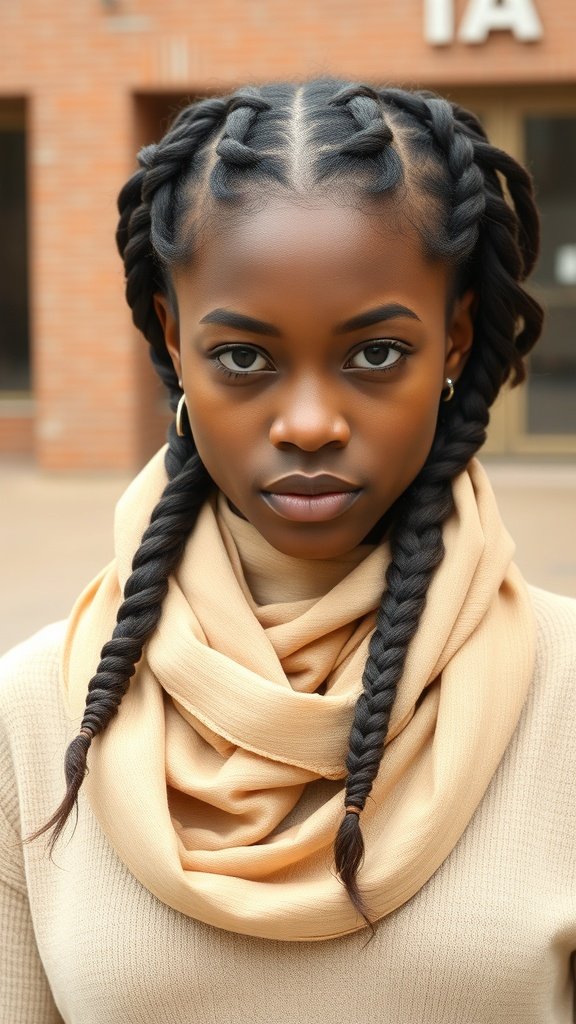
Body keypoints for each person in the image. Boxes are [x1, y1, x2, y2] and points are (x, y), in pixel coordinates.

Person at [1, 76, 575, 1023]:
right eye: (244, 357)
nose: (309, 424)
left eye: (376, 353)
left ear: (456, 345)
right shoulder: (35, 718)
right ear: (174, 343)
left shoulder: (561, 698)